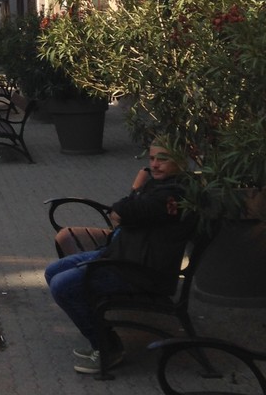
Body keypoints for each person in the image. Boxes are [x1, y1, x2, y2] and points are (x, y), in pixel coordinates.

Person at [44, 142, 194, 374]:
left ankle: (108, 348)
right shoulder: (161, 185)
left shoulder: (173, 195)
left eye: (162, 159)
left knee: (62, 286)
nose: (154, 164)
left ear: (179, 162)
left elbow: (123, 211)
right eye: (152, 158)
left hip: (141, 272)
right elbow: (125, 213)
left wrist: (135, 189)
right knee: (53, 271)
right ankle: (101, 334)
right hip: (123, 255)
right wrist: (130, 204)